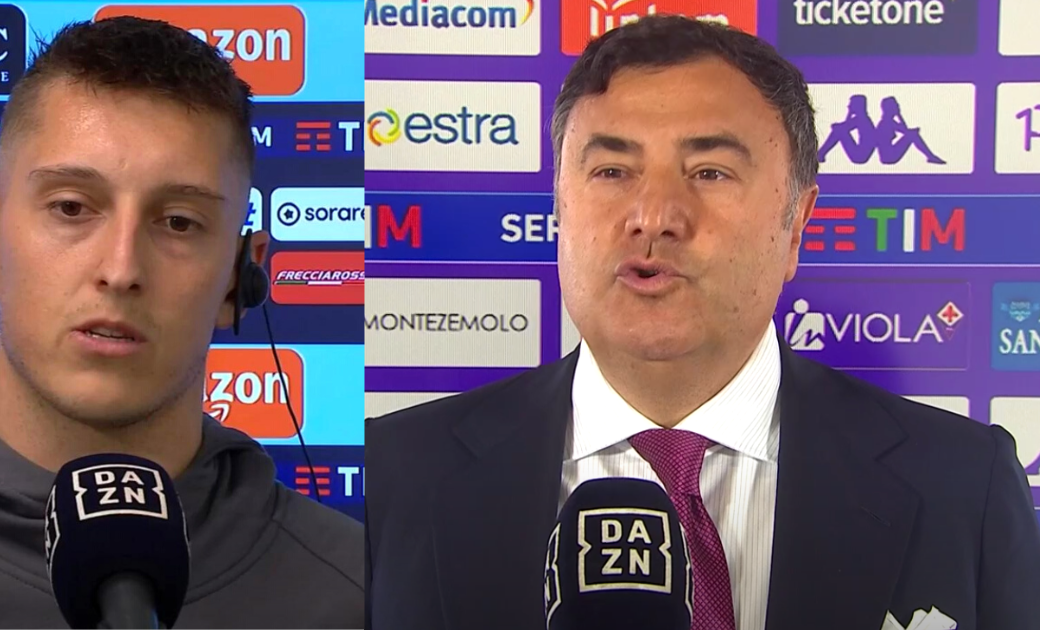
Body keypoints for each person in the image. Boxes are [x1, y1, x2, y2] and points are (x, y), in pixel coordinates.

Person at [365, 15, 1040, 630]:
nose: (655, 216)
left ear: (797, 224)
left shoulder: (964, 486)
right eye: (612, 170)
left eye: (710, 172)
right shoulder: (396, 477)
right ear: (561, 209)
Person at [0, 17, 362, 628]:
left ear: (237, 278)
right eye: (71, 207)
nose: (120, 270)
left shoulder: (365, 590)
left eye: (179, 222)